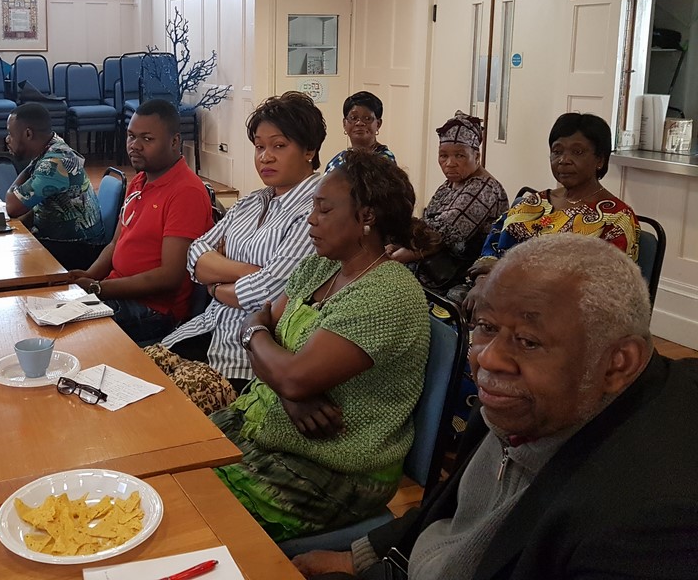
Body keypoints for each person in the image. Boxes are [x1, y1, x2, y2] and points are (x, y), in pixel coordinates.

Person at [294, 233, 698, 580]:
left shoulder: (651, 526)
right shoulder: (530, 400)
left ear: (617, 363)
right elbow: (454, 508)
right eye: (486, 327)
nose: (488, 358)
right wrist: (359, 556)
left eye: (528, 341)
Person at [209, 151, 433, 541]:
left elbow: (289, 370)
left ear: (366, 217)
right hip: (267, 428)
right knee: (173, 460)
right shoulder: (320, 266)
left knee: (192, 506)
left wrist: (277, 364)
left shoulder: (388, 294)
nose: (311, 219)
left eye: (324, 210)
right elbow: (262, 329)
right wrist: (288, 390)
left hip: (332, 470)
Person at [148, 92, 327, 412]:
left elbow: (270, 293)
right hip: (205, 328)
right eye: (259, 147)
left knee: (160, 411)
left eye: (279, 146)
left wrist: (215, 284)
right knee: (131, 377)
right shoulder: (252, 202)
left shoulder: (315, 210)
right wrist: (250, 272)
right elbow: (195, 254)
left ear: (309, 150)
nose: (265, 157)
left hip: (245, 359)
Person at [70, 99, 214, 345]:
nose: (134, 146)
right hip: (117, 291)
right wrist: (89, 275)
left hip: (155, 311)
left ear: (174, 142)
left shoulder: (186, 192)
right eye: (131, 136)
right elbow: (116, 243)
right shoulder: (140, 180)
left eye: (147, 139)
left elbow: (169, 277)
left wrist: (98, 288)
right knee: (49, 311)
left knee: (70, 333)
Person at [459, 112, 639, 305]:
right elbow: (492, 249)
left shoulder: (617, 218)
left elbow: (607, 286)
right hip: (498, 295)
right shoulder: (534, 203)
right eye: (557, 151)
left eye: (577, 152)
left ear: (600, 160)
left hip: (561, 312)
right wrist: (483, 282)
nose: (564, 160)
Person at [385, 111, 508, 292]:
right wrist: (400, 243)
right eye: (443, 156)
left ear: (477, 156)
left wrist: (405, 252)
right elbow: (429, 224)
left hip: (455, 278)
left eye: (460, 155)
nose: (450, 163)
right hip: (431, 264)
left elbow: (440, 236)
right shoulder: (452, 183)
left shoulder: (484, 189)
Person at [4, 102, 105, 269]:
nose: (7, 140)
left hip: (78, 250)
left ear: (28, 134)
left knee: (6, 260)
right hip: (64, 241)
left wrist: (27, 171)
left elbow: (12, 206)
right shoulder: (52, 145)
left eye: (11, 134)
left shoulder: (55, 163)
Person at [324, 91, 396, 173]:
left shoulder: (384, 160)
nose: (359, 123)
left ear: (378, 124)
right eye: (353, 118)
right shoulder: (338, 160)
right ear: (344, 123)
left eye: (367, 118)